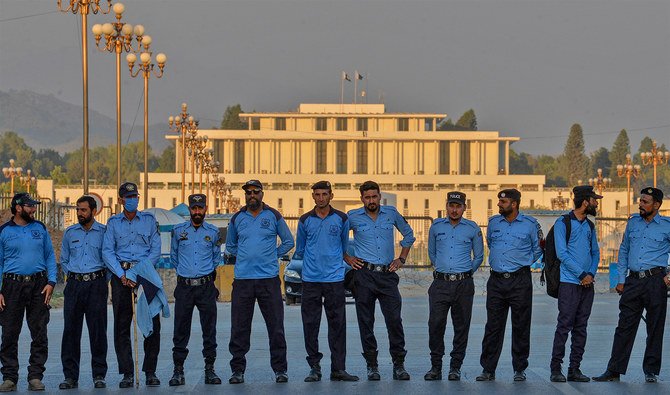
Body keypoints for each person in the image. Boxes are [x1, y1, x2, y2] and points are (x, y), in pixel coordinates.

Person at [593, 187, 670, 383]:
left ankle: (651, 370)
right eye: (640, 201)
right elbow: (624, 249)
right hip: (633, 281)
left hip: (655, 281)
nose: (641, 204)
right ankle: (614, 370)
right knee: (624, 326)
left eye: (645, 202)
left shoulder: (666, 226)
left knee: (655, 327)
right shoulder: (633, 222)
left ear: (656, 205)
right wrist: (621, 279)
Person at [225, 180, 295, 384]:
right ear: (245, 195)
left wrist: (272, 255)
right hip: (243, 281)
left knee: (276, 327)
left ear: (262, 194)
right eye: (248, 193)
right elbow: (230, 246)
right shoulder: (237, 218)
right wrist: (246, 256)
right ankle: (237, 370)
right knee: (239, 328)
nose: (252, 195)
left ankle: (280, 370)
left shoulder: (273, 216)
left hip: (268, 281)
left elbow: (289, 241)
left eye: (256, 192)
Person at [345, 180, 415, 381]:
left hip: (387, 275)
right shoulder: (353, 217)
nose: (371, 200)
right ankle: (372, 365)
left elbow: (409, 235)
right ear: (362, 199)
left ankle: (399, 365)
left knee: (394, 320)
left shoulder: (391, 213)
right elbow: (338, 238)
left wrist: (401, 258)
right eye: (367, 197)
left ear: (379, 196)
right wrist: (347, 258)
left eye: (374, 196)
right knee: (366, 321)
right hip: (364, 275)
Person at [294, 181, 359, 382]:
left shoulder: (341, 218)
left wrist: (338, 260)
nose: (321, 198)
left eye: (325, 194)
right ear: (312, 196)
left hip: (334, 280)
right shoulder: (305, 220)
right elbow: (301, 249)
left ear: (331, 195)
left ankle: (338, 369)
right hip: (311, 280)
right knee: (310, 325)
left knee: (337, 325)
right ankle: (314, 367)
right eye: (317, 194)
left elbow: (342, 246)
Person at [476, 188, 542, 382]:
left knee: (521, 325)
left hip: (520, 280)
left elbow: (538, 248)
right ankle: (488, 369)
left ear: (514, 204)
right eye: (499, 201)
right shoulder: (493, 223)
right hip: (496, 280)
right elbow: (490, 244)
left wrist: (523, 262)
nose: (499, 204)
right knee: (493, 326)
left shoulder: (530, 224)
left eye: (503, 202)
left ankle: (519, 368)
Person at [102, 182, 162, 388]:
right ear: (120, 200)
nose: (132, 200)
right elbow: (107, 251)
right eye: (128, 197)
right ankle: (127, 372)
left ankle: (150, 371)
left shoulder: (149, 220)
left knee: (152, 323)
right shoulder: (113, 223)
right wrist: (122, 274)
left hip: (145, 275)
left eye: (135, 196)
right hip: (121, 277)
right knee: (121, 325)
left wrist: (136, 273)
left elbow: (155, 250)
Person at [423, 192, 483, 381]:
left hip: (463, 284)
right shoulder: (436, 227)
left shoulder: (472, 228)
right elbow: (431, 253)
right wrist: (443, 269)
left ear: (464, 207)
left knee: (461, 326)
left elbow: (479, 256)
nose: (454, 209)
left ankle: (455, 367)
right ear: (446, 206)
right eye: (451, 205)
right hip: (440, 283)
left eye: (458, 206)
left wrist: (465, 272)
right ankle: (436, 367)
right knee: (435, 325)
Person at [0, 193, 56, 392]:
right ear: (17, 208)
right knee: (9, 333)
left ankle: (35, 376)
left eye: (34, 206)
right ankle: (9, 377)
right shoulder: (4, 231)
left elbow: (50, 255)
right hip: (11, 286)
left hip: (38, 285)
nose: (33, 209)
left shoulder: (39, 228)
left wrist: (51, 281)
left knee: (39, 332)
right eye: (30, 206)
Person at [168, 194, 222, 386]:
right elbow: (174, 257)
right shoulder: (178, 231)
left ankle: (210, 369)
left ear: (205, 208)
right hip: (185, 287)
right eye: (194, 208)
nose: (197, 212)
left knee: (209, 329)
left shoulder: (213, 232)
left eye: (200, 208)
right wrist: (186, 272)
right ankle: (178, 370)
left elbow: (217, 257)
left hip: (206, 286)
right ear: (189, 209)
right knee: (180, 329)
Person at [549, 185, 601, 383]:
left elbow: (595, 252)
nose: (596, 203)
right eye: (594, 199)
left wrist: (590, 273)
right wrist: (581, 274)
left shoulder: (589, 225)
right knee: (564, 325)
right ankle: (556, 369)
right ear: (585, 201)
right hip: (569, 283)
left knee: (581, 327)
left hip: (587, 284)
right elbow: (562, 254)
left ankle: (574, 369)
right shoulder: (563, 222)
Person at [59, 196, 109, 390]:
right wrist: (73, 277)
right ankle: (70, 376)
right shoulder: (70, 233)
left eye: (83, 210)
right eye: (78, 210)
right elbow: (64, 259)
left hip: (96, 284)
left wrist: (101, 281)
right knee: (71, 332)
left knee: (98, 332)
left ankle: (99, 375)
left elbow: (108, 259)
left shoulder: (104, 232)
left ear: (94, 211)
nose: (79, 213)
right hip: (74, 286)